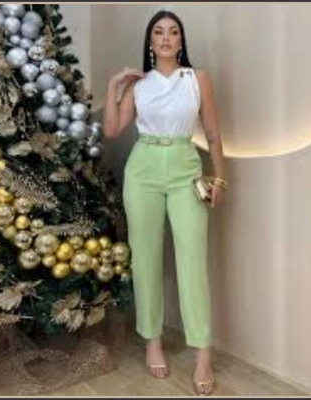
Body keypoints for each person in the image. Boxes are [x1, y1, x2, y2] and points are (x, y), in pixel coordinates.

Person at [103, 9, 227, 396]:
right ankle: (152, 342)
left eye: (174, 32)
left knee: (193, 260)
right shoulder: (139, 85)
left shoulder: (197, 79)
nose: (167, 38)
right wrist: (114, 86)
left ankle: (203, 354)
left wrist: (220, 177)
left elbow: (213, 133)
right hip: (143, 170)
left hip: (186, 169)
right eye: (159, 32)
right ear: (150, 41)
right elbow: (112, 129)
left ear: (181, 40)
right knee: (145, 257)